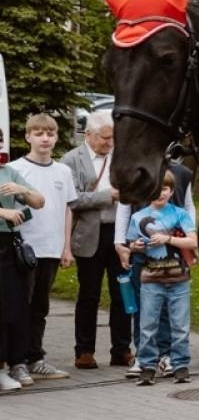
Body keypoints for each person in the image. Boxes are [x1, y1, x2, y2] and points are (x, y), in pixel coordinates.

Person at [64, 111, 131, 370]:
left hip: (118, 233)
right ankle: (84, 351)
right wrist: (107, 196)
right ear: (88, 135)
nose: (109, 143)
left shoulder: (120, 157)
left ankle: (122, 349)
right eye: (104, 138)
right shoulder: (72, 160)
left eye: (112, 138)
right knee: (88, 295)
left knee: (122, 293)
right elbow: (73, 199)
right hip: (89, 234)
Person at [12, 114, 76, 380]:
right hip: (25, 249)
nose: (45, 139)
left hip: (51, 247)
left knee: (41, 306)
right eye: (38, 133)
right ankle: (17, 360)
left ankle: (36, 356)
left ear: (57, 137)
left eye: (50, 134)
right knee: (21, 306)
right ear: (28, 137)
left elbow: (67, 210)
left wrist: (66, 246)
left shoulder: (63, 171)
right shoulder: (17, 169)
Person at [123, 169, 199, 384]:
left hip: (179, 278)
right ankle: (147, 365)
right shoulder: (138, 217)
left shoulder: (179, 213)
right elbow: (132, 243)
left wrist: (167, 240)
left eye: (164, 189)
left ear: (171, 190)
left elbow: (193, 242)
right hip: (151, 278)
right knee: (147, 324)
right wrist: (135, 246)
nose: (160, 193)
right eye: (155, 189)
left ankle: (180, 364)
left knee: (180, 325)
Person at [0, 156, 45, 392]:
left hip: (9, 246)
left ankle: (16, 362)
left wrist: (23, 190)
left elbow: (39, 201)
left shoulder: (8, 172)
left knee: (15, 306)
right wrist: (3, 212)